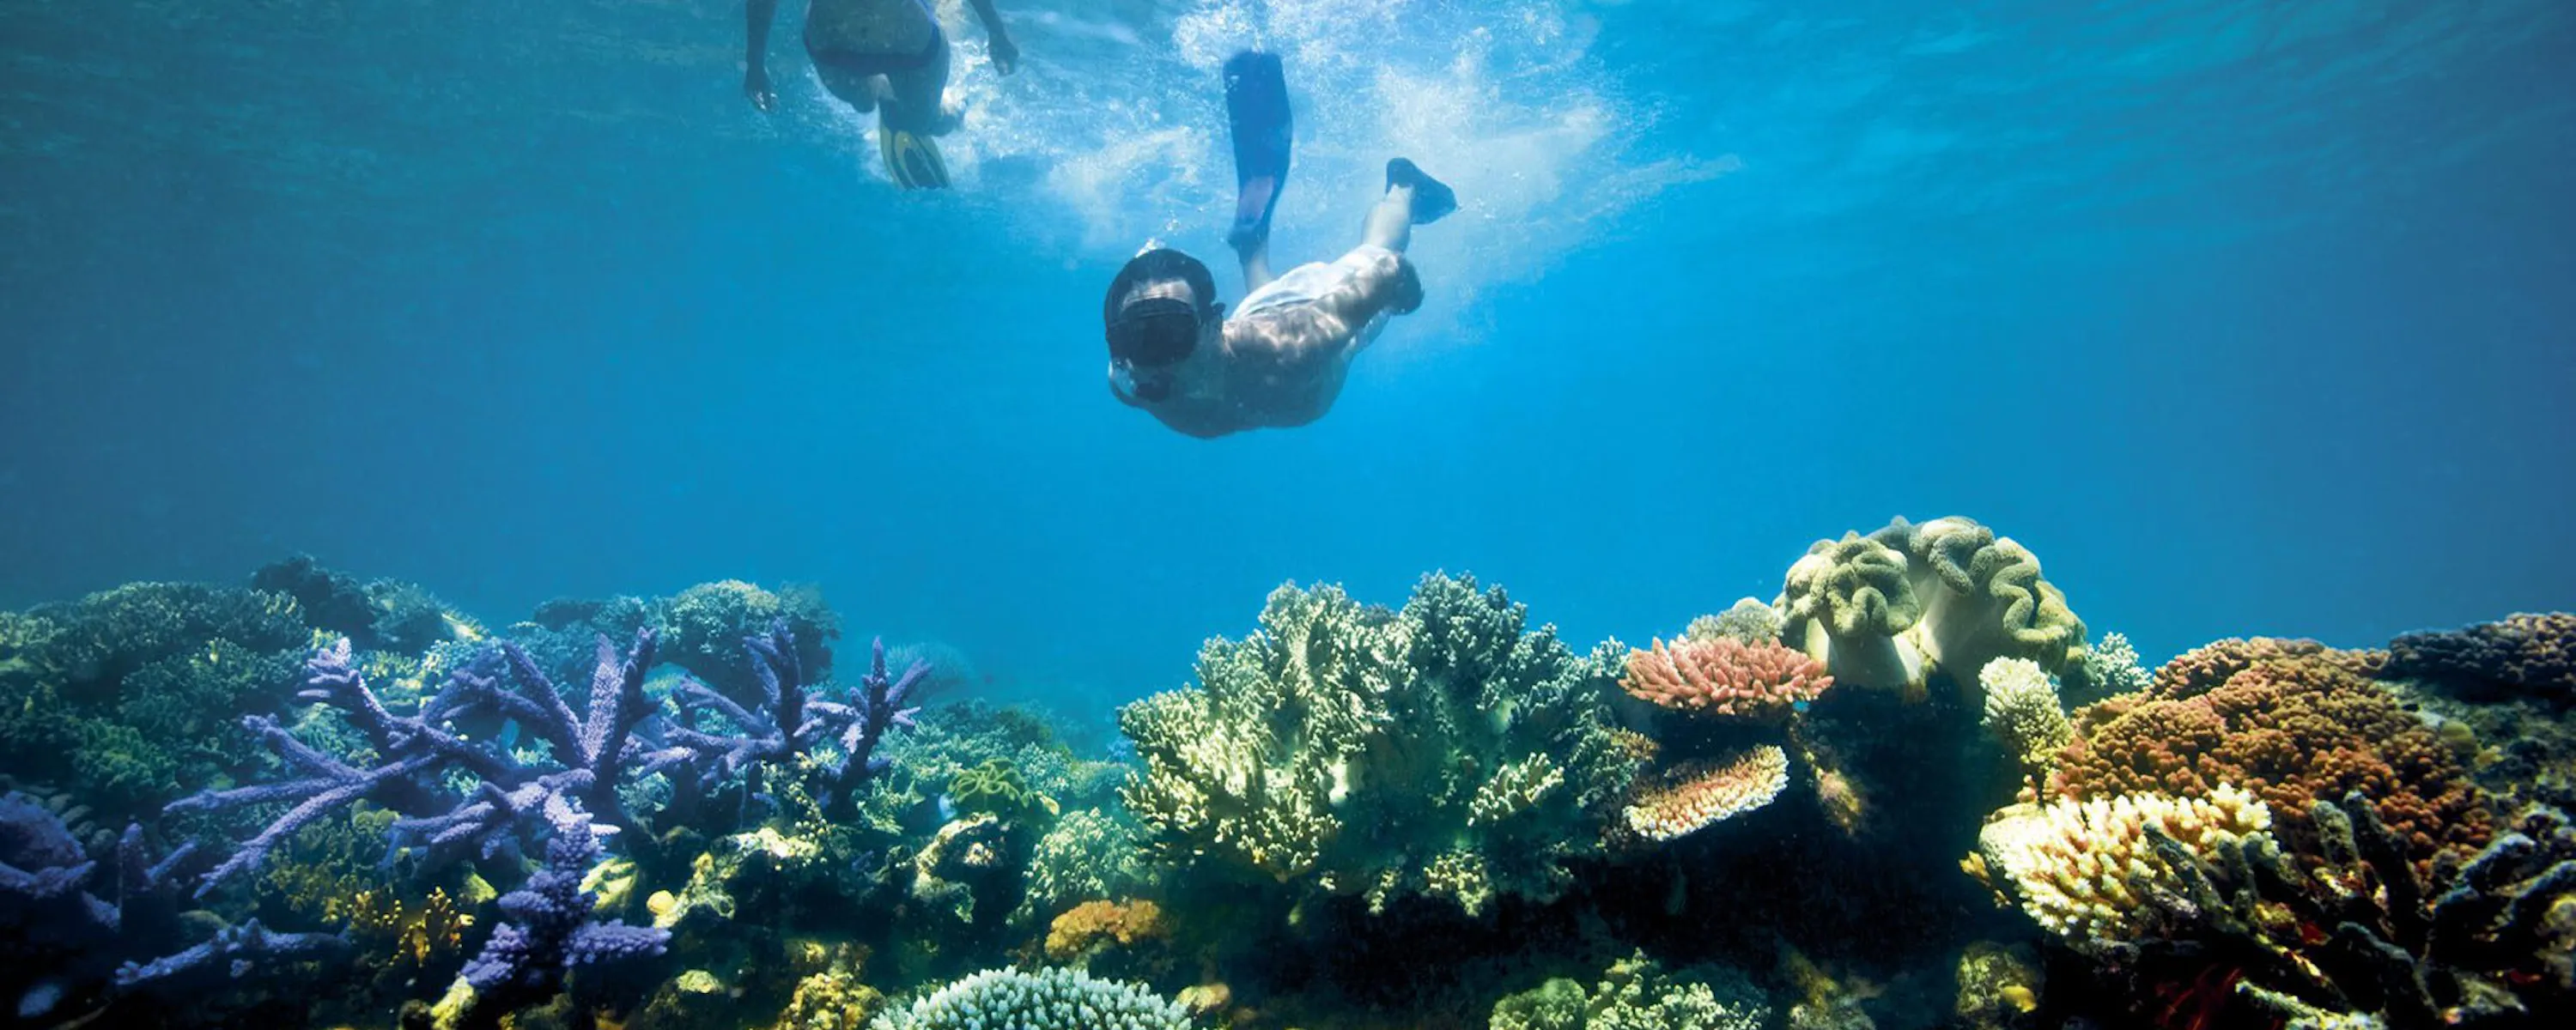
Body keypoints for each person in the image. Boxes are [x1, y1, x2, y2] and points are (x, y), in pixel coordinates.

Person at [1102, 52, 1456, 439]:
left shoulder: (1299, 346)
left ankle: (1404, 187)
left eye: (1171, 334)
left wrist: (1407, 300)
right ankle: (1250, 245)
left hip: (1316, 302)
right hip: (1259, 317)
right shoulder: (1129, 380)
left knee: (1379, 248)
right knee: (1264, 301)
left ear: (1213, 326)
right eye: (1133, 338)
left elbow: (1391, 272)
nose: (1155, 360)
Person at [744, 0, 1019, 190]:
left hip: (910, 48)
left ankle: (954, 106)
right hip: (836, 49)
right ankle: (889, 95)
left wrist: (997, 32)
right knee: (862, 103)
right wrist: (755, 63)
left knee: (921, 123)